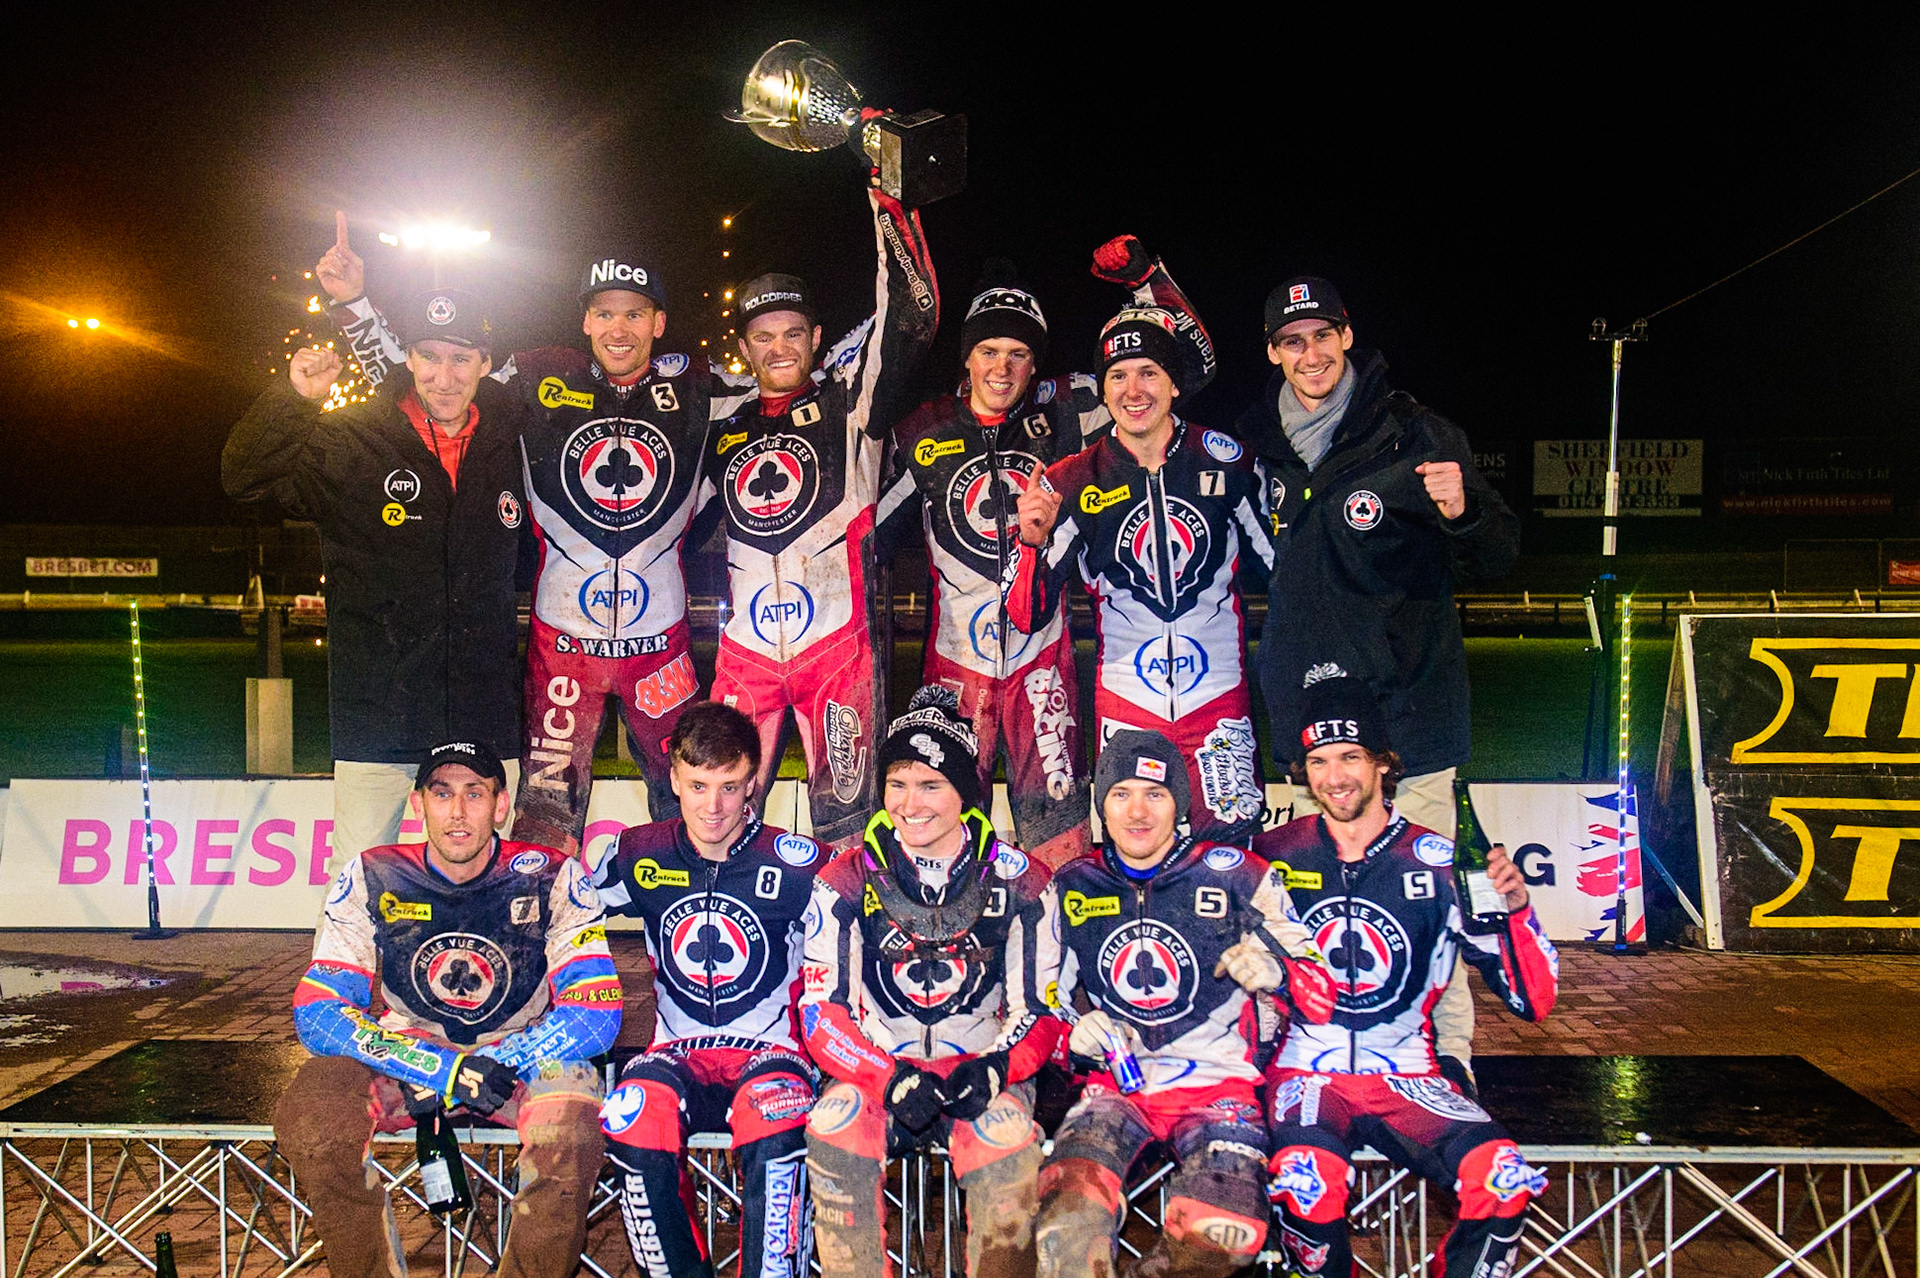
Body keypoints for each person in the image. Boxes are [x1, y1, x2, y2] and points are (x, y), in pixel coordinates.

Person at [313, 212, 756, 852]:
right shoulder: (538, 379)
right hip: (561, 647)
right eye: (604, 313)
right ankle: (543, 942)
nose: (619, 329)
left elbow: (793, 386)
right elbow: (434, 375)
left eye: (635, 314)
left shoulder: (699, 387)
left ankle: (693, 929)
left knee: (690, 793)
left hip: (661, 646)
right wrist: (355, 305)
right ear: (584, 321)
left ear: (658, 324)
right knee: (547, 818)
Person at [1237, 274, 1519, 1075]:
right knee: (1304, 903)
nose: (1311, 353)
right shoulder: (1257, 446)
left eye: (1323, 335)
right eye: (1293, 341)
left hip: (1409, 716)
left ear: (1348, 337)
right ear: (1273, 352)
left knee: (1425, 899)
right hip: (1310, 725)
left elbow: (1497, 555)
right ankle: (1307, 1051)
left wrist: (1465, 511)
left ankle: (1445, 1055)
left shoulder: (1417, 433)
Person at [877, 238, 1213, 868]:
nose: (1002, 368)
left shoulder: (1070, 411)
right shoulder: (920, 431)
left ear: (1035, 365)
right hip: (952, 670)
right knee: (940, 824)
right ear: (967, 360)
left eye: (1019, 354)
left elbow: (1182, 371)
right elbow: (866, 535)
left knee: (1058, 834)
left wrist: (1150, 282)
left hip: (1044, 663)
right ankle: (948, 949)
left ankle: (1057, 951)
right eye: (989, 352)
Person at [274, 740, 618, 1278]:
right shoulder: (372, 875)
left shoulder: (554, 875)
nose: (457, 812)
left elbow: (597, 1013)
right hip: (407, 1053)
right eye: (442, 794)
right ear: (418, 804)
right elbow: (317, 1011)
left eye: (474, 794)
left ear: (500, 805)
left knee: (571, 1133)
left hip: (519, 1053)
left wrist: (507, 1058)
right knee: (312, 1118)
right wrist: (434, 1066)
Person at [1252, 674, 1557, 1278]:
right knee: (1305, 1184)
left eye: (1350, 758)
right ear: (1302, 770)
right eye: (1318, 761)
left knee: (1503, 1177)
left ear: (1383, 764)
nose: (1335, 777)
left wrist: (1518, 913)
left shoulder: (1440, 861)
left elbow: (1533, 1001)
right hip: (1305, 1075)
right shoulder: (1270, 857)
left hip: (1407, 1075)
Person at [224, 286, 526, 870]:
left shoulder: (509, 446)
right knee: (355, 880)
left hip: (483, 711)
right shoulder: (353, 438)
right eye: (430, 356)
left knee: (489, 875)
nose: (444, 375)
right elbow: (243, 478)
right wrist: (295, 400)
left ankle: (477, 967)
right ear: (408, 359)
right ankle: (347, 966)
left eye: (461, 358)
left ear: (485, 366)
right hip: (378, 710)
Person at [1034, 729, 1336, 1278]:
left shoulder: (1240, 875)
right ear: (1101, 804)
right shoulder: (1074, 884)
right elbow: (1042, 1000)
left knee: (1220, 1234)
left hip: (1219, 1091)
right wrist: (1070, 1034)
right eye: (1120, 793)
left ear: (1180, 805)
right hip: (1114, 1091)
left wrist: (1280, 975)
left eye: (1155, 794)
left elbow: (1320, 995)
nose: (1137, 811)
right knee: (1066, 1222)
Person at [700, 156, 939, 851]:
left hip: (840, 651)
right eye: (764, 337)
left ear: (814, 338)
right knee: (721, 812)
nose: (780, 348)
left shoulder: (849, 402)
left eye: (793, 334)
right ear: (745, 347)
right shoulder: (723, 419)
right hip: (745, 653)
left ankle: (843, 953)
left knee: (846, 826)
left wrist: (888, 199)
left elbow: (912, 316)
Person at [800, 686, 1062, 1278]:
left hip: (980, 1070)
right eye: (897, 783)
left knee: (1007, 1149)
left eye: (930, 784)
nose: (909, 803)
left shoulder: (1021, 881)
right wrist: (886, 1077)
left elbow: (1044, 1011)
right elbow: (822, 1015)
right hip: (879, 1071)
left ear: (965, 793)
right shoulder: (843, 880)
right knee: (833, 1131)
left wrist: (997, 1068)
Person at [1009, 307, 1271, 845]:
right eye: (1118, 376)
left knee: (1229, 862)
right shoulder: (1073, 479)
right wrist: (1030, 543)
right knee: (1134, 864)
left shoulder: (1230, 464)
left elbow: (1286, 575)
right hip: (1129, 706)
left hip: (1219, 701)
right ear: (1103, 392)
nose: (1134, 389)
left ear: (1175, 382)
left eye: (1149, 371)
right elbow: (1026, 612)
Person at [590, 700, 821, 1278]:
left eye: (730, 786)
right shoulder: (636, 853)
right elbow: (557, 922)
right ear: (672, 777)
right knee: (630, 1117)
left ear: (754, 783)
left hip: (773, 1055)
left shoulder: (798, 866)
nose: (713, 807)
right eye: (697, 785)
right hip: (674, 1053)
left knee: (777, 1126)